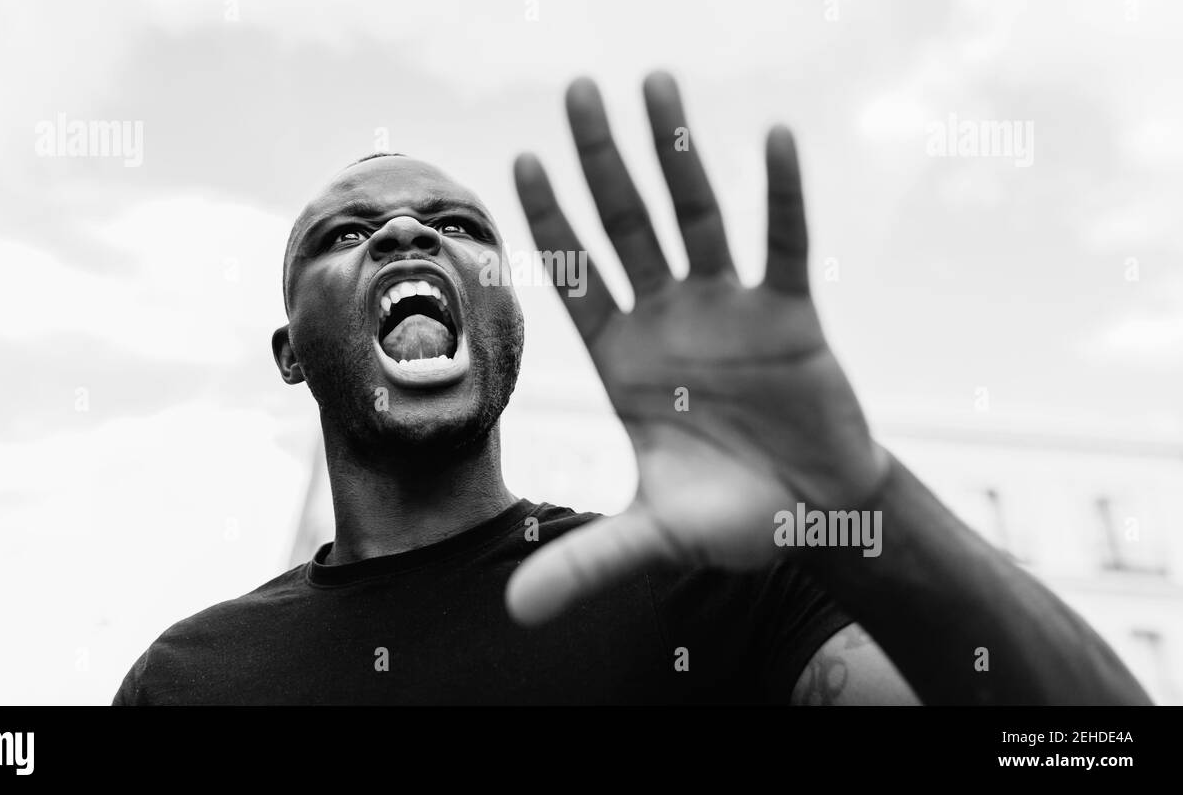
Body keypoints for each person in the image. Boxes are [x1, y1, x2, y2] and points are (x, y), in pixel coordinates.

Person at [113, 72, 1150, 705]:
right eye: (342, 235)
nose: (405, 231)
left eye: (461, 224)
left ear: (508, 317)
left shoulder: (716, 591)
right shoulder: (191, 678)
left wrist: (861, 496)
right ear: (290, 349)